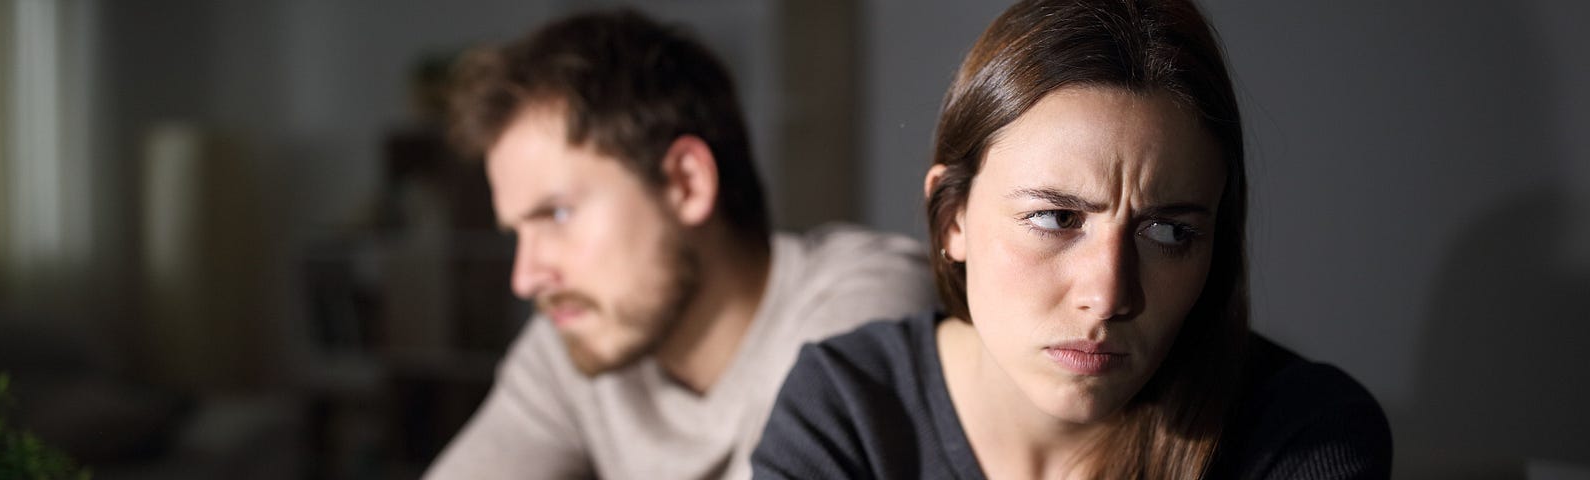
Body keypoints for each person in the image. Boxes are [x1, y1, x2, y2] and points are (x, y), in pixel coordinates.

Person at [751, 0, 1393, 478]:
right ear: (953, 220)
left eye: (1169, 231)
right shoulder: (848, 410)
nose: (1109, 294)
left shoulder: (1300, 434)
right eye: (1056, 218)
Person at [424, 9, 936, 480]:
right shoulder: (572, 338)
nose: (526, 277)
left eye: (557, 214)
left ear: (686, 183)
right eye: (517, 233)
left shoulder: (865, 302)